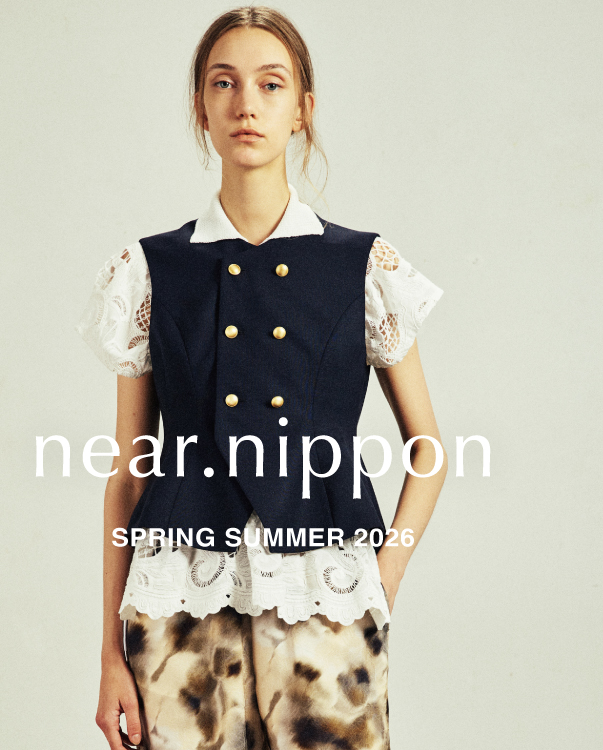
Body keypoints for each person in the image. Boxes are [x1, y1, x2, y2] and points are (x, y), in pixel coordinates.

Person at [76, 7, 448, 749]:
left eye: (270, 85)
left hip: (326, 591)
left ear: (302, 109)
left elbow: (428, 451)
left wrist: (383, 576)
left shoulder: (360, 266)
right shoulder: (152, 270)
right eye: (225, 83)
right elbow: (128, 474)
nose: (247, 103)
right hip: (177, 592)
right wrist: (110, 652)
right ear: (201, 108)